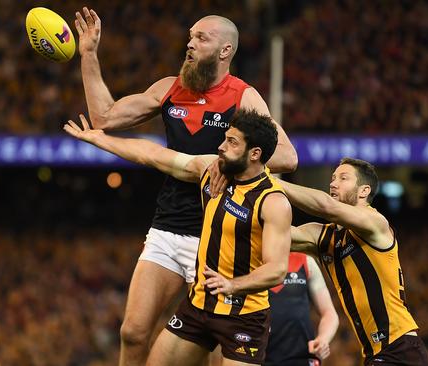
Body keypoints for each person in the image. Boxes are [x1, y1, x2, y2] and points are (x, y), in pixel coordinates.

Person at [73, 7, 298, 366]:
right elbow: (105, 118)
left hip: (219, 235)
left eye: (200, 38)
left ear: (225, 51)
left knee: (210, 350)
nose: (189, 44)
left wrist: (222, 163)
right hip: (169, 225)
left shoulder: (243, 96)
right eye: (190, 36)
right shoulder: (170, 89)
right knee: (132, 331)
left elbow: (287, 156)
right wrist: (88, 54)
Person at [64, 109, 292, 365]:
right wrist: (99, 139)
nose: (220, 147)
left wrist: (233, 285)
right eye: (225, 138)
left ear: (255, 154)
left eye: (231, 142)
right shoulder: (211, 172)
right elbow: (154, 155)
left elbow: (277, 269)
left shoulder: (273, 202)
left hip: (243, 316)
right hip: (199, 304)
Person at [283, 158, 428, 365]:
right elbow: (278, 233)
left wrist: (268, 181)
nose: (333, 183)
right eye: (333, 178)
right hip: (375, 354)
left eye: (343, 178)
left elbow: (326, 206)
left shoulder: (376, 223)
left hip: (400, 349)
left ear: (364, 191)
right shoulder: (325, 237)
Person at [210, 253, 339, 366]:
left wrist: (323, 338)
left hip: (302, 357)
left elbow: (329, 313)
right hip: (255, 358)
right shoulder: (242, 264)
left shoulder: (304, 262)